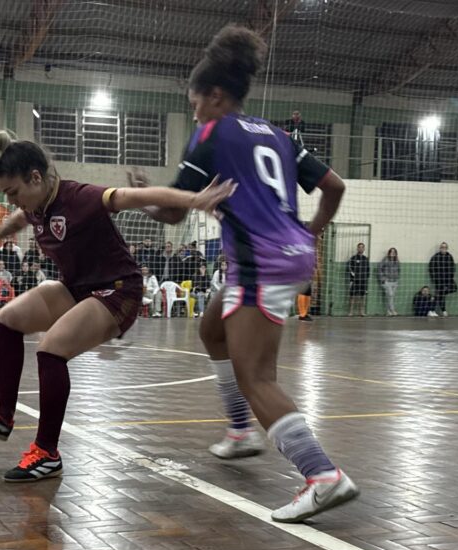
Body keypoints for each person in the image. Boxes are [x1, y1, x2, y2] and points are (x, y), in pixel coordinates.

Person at [132, 24, 356, 522]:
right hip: (286, 253)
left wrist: (146, 196)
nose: (194, 112)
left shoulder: (211, 136)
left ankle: (322, 475)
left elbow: (173, 214)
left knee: (257, 377)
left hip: (260, 261)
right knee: (213, 329)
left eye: (195, 103)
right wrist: (311, 233)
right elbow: (334, 187)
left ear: (215, 95)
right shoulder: (277, 135)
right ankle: (240, 432)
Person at [0, 130, 234, 483]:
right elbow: (21, 220)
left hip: (118, 292)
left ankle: (46, 453)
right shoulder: (35, 205)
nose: (14, 202)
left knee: (51, 349)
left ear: (35, 177)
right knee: (8, 318)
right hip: (78, 289)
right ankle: (2, 414)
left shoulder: (81, 198)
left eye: (14, 193)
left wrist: (196, 199)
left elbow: (138, 195)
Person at [428, 242, 456, 316]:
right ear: (440, 248)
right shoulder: (436, 256)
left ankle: (434, 310)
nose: (443, 249)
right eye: (442, 247)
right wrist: (434, 278)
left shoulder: (449, 257)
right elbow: (431, 267)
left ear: (447, 248)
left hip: (447, 280)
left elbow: (452, 268)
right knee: (441, 294)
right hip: (439, 280)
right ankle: (440, 310)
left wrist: (450, 278)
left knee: (442, 293)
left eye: (445, 247)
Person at [346, 243, 370, 317]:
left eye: (362, 247)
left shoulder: (365, 259)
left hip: (363, 280)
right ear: (357, 248)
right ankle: (350, 312)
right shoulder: (353, 258)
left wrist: (366, 279)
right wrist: (352, 276)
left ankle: (361, 312)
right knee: (352, 296)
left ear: (364, 249)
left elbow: (368, 270)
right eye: (359, 247)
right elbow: (349, 268)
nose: (361, 249)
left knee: (362, 296)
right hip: (354, 280)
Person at [377, 247, 400, 316]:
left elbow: (398, 270)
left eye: (394, 252)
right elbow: (380, 269)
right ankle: (392, 310)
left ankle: (388, 311)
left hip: (394, 281)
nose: (393, 253)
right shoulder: (385, 260)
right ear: (389, 253)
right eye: (391, 252)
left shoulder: (397, 261)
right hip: (387, 281)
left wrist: (397, 279)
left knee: (390, 296)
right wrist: (383, 279)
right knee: (390, 294)